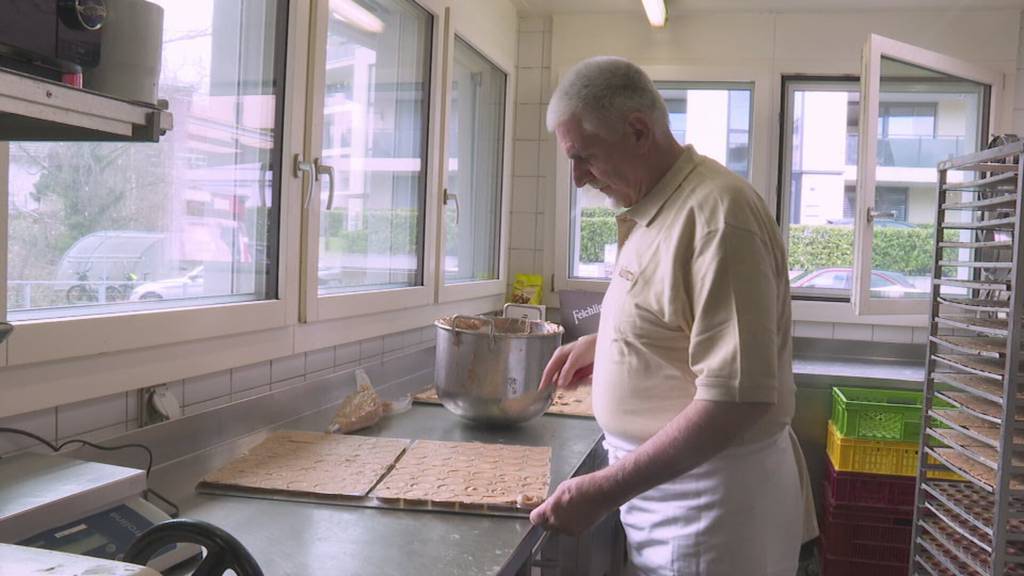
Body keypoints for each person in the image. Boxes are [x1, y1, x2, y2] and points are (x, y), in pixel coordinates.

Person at [530, 57, 818, 576]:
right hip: (670, 500)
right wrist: (605, 344)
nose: (576, 180)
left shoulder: (718, 217)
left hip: (711, 511)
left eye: (584, 158)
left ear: (638, 130)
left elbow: (737, 400)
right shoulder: (656, 207)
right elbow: (675, 313)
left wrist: (602, 490)